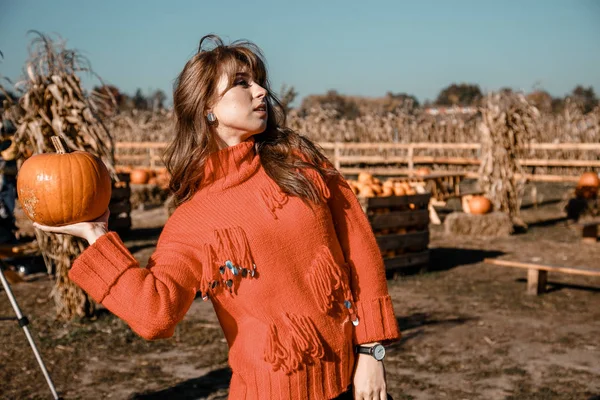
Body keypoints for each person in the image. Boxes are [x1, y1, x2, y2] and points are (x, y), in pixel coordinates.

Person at [34, 35, 401, 400]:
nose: (260, 92)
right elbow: (155, 314)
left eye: (258, 81)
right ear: (206, 106)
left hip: (351, 377)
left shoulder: (300, 162)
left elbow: (360, 248)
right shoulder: (193, 220)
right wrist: (97, 236)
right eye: (242, 83)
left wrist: (372, 349)